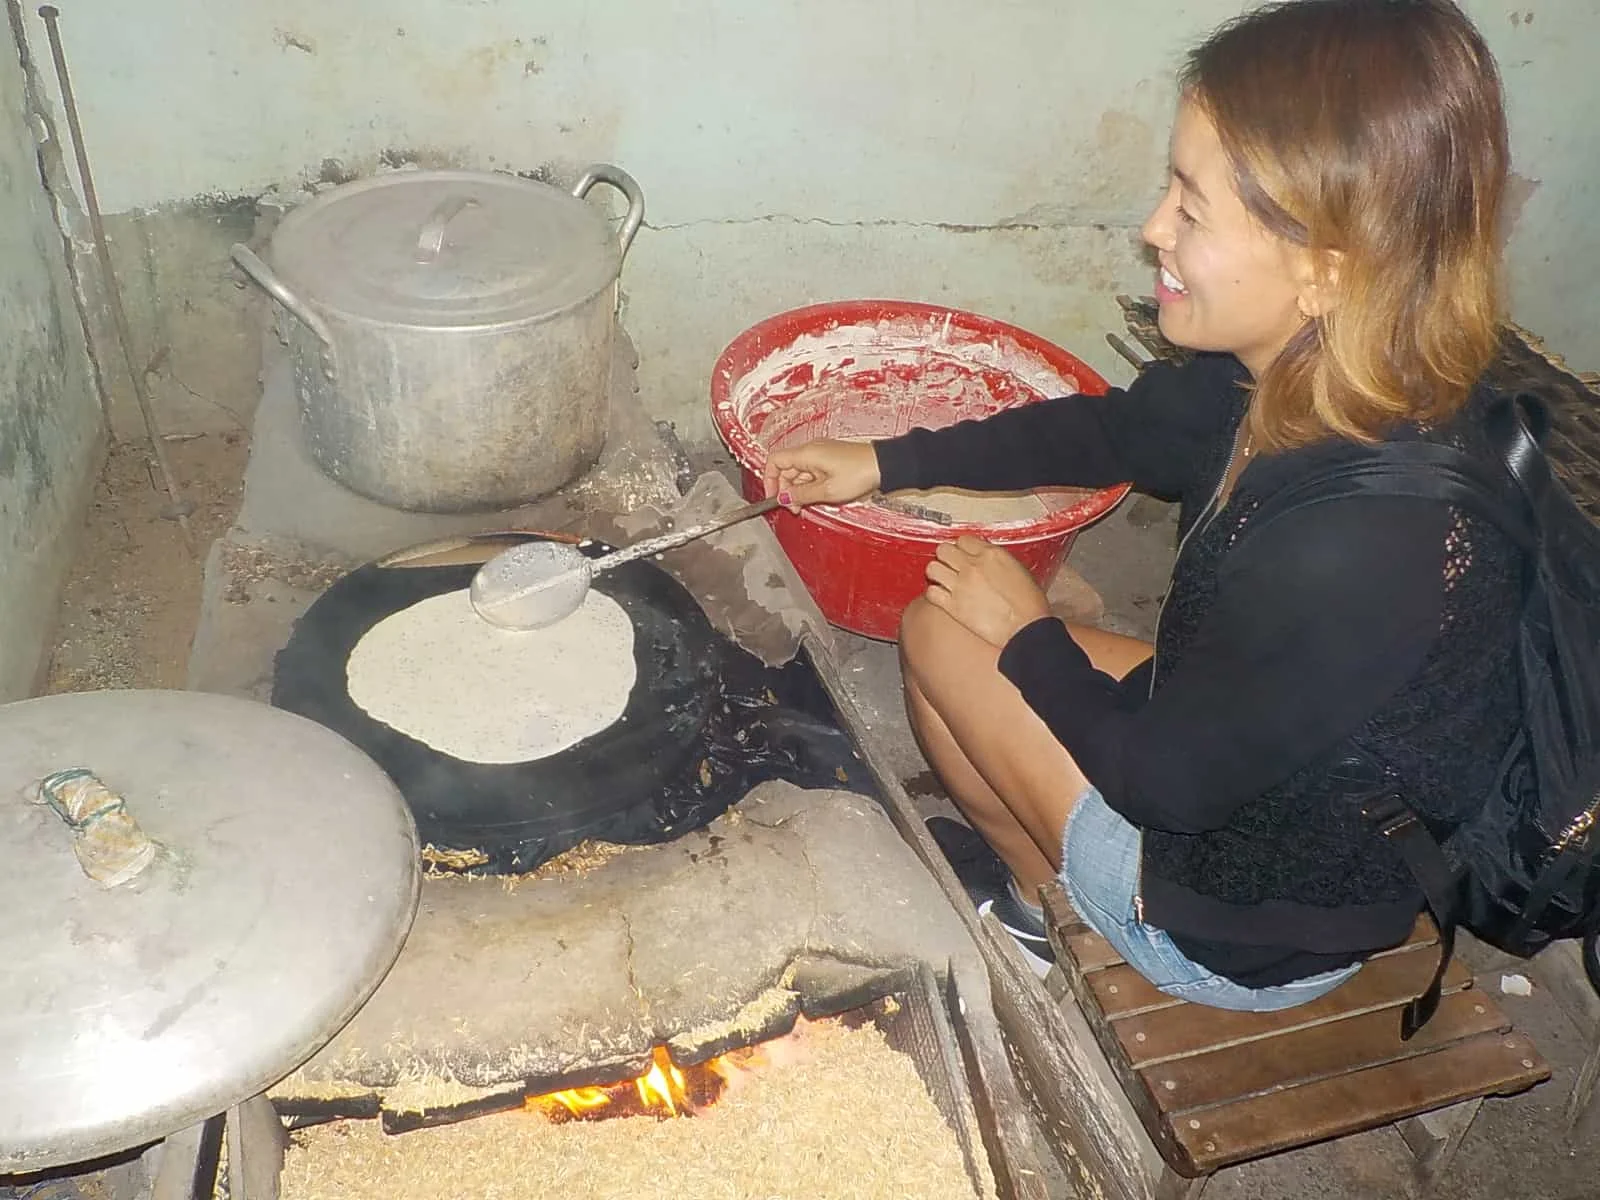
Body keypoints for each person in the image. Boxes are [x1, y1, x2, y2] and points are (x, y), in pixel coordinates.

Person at [762, 0, 1524, 1011]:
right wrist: (883, 458)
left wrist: (1033, 635)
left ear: (1323, 271)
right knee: (982, 635)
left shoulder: (1361, 547)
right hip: (1279, 781)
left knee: (943, 630)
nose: (1150, 229)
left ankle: (1064, 922)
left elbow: (1170, 789)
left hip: (1251, 928)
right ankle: (1057, 899)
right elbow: (1107, 433)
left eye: (1192, 208)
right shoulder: (1308, 368)